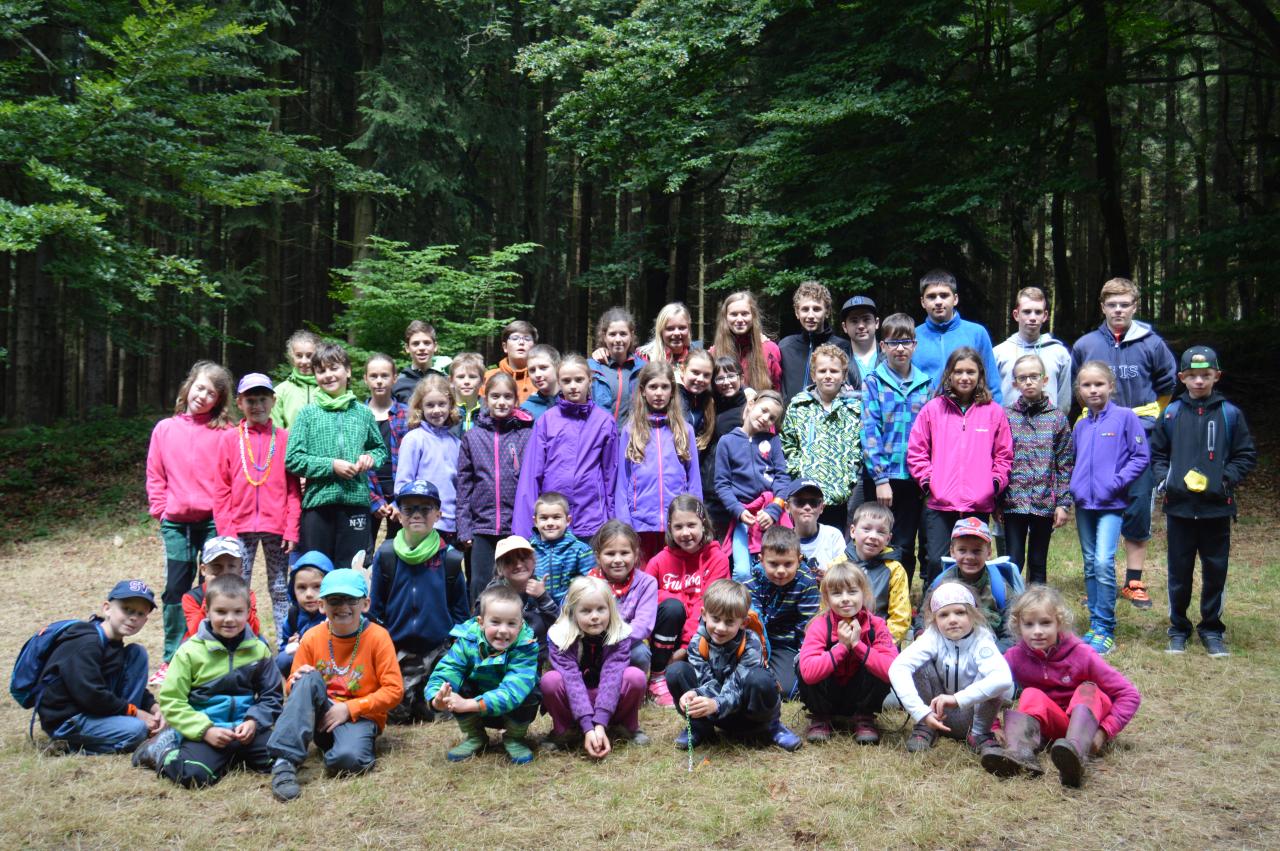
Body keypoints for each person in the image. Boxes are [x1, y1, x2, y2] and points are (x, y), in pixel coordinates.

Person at [1070, 277, 1178, 609]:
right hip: (1100, 437)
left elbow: (1168, 384)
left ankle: (1133, 580)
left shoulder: (1152, 343)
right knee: (1098, 502)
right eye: (1112, 304)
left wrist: (1153, 417)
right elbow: (1078, 388)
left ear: (1135, 307)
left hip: (1140, 433)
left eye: (1125, 304)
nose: (1118, 310)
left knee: (1137, 505)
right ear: (1102, 307)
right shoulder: (1086, 344)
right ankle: (1099, 579)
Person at [1151, 346, 1257, 657]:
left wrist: (1225, 479)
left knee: (1215, 570)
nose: (1199, 381)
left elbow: (1245, 454)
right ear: (1182, 377)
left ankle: (1212, 628)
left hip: (1216, 509)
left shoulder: (1229, 414)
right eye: (1193, 376)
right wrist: (1165, 479)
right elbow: (1157, 454)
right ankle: (1178, 628)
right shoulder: (1171, 413)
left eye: (1206, 375)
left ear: (1216, 376)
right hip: (1180, 508)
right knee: (1179, 571)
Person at [267, 569, 404, 802]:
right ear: (322, 606)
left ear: (366, 604)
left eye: (351, 600)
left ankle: (341, 747)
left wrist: (349, 709)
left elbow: (394, 690)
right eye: (334, 600)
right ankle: (283, 763)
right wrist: (295, 682)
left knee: (348, 761)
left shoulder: (378, 637)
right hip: (322, 713)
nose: (343, 606)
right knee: (306, 677)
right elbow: (292, 686)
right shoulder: (311, 637)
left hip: (360, 716)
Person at [984, 586, 1141, 788]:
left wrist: (1103, 732)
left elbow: (1129, 694)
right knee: (1030, 694)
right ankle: (1020, 754)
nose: (1037, 631)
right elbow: (988, 686)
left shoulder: (1083, 654)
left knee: (1088, 689)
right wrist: (993, 726)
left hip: (1087, 724)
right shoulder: (1015, 656)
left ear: (1059, 623)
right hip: (1052, 724)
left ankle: (1075, 757)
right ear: (1018, 626)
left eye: (1045, 623)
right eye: (1029, 624)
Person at [137, 575, 282, 788]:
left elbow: (272, 695)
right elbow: (172, 701)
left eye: (238, 612)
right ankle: (161, 750)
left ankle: (230, 758)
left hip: (247, 731)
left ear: (248, 612)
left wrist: (254, 721)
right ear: (206, 611)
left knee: (284, 758)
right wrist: (205, 730)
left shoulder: (259, 650)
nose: (230, 619)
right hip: (205, 732)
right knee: (193, 775)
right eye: (221, 612)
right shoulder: (189, 652)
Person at [146, 360, 235, 674]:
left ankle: (212, 649)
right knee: (176, 588)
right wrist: (161, 510)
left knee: (213, 587)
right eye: (200, 388)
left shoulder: (226, 433)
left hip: (213, 521)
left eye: (211, 394)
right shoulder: (165, 429)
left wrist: (227, 518)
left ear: (219, 400)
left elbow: (233, 477)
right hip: (176, 523)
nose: (203, 397)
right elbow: (155, 475)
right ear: (188, 387)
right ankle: (173, 655)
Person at [907, 347, 1013, 590]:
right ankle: (932, 607)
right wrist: (929, 482)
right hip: (940, 502)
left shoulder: (993, 412)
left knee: (972, 561)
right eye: (958, 371)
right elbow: (917, 450)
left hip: (978, 503)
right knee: (936, 560)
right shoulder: (933, 409)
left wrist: (993, 485)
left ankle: (975, 607)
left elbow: (1004, 455)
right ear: (949, 375)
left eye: (970, 372)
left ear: (980, 375)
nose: (964, 377)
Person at [368, 481, 469, 724]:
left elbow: (461, 614)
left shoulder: (450, 558)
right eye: (409, 508)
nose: (416, 514)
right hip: (397, 648)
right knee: (396, 715)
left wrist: (455, 654)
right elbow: (376, 610)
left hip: (437, 650)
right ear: (399, 514)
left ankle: (429, 691)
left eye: (425, 508)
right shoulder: (387, 555)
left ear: (438, 515)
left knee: (439, 712)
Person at [284, 341, 389, 570]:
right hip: (317, 506)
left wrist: (369, 458)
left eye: (334, 368)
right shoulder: (308, 414)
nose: (328, 375)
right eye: (321, 371)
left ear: (348, 371)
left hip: (356, 505)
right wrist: (331, 466)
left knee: (351, 570)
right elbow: (293, 458)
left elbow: (379, 450)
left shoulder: (363, 413)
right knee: (316, 569)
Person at [1070, 361, 1150, 655]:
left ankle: (1105, 627)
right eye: (1087, 385)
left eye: (1099, 384)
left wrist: (1117, 481)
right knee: (1090, 562)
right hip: (1084, 504)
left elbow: (1140, 457)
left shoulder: (1125, 418)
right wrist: (1075, 487)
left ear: (1110, 386)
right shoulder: (1080, 425)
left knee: (1104, 561)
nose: (1093, 390)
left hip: (1111, 503)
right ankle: (1094, 624)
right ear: (1079, 390)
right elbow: (1075, 460)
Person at [667, 579, 802, 752]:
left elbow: (738, 684)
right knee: (676, 671)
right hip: (716, 712)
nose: (721, 628)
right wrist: (696, 693)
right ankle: (699, 727)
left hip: (748, 714)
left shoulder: (750, 642)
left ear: (743, 622)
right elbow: (705, 681)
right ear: (704, 614)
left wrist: (716, 704)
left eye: (729, 622)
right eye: (715, 619)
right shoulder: (697, 642)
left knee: (760, 679)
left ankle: (772, 727)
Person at [213, 372, 300, 633]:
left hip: (277, 528)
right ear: (239, 403)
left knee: (280, 587)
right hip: (239, 528)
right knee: (237, 587)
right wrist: (227, 531)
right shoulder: (229, 439)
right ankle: (239, 639)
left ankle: (285, 641)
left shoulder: (284, 438)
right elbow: (221, 489)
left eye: (263, 399)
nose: (257, 405)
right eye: (250, 400)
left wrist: (292, 527)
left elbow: (293, 489)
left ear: (273, 401)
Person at [36, 580, 163, 754]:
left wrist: (154, 708)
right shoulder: (86, 643)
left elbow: (123, 681)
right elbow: (91, 695)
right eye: (127, 609)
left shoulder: (114, 642)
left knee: (137, 652)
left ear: (145, 620)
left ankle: (121, 723)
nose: (133, 617)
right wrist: (136, 713)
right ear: (107, 608)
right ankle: (67, 744)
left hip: (95, 709)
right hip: (69, 718)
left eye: (140, 613)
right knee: (137, 731)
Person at [888, 582, 1013, 755]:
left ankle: (980, 735)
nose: (952, 620)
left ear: (973, 614)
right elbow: (898, 667)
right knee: (918, 664)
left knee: (992, 677)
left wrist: (956, 699)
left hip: (972, 717)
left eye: (960, 612)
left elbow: (1003, 679)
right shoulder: (933, 636)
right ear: (934, 620)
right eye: (943, 615)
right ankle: (925, 728)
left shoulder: (982, 639)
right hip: (935, 713)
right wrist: (921, 712)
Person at [426, 584, 541, 764]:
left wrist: (468, 704)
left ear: (520, 625)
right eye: (495, 622)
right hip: (477, 708)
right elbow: (448, 669)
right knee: (456, 685)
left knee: (529, 691)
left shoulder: (526, 647)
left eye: (511, 623)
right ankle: (476, 736)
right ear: (481, 623)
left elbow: (513, 692)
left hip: (509, 707)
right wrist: (436, 699)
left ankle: (514, 738)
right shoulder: (467, 640)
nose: (503, 630)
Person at [861, 313, 933, 587]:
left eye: (906, 342)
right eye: (893, 343)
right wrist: (881, 479)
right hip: (882, 479)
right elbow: (870, 431)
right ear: (883, 346)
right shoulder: (874, 382)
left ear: (915, 345)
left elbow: (932, 433)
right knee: (876, 538)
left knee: (904, 542)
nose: (900, 348)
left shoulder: (926, 384)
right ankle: (874, 595)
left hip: (914, 478)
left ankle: (900, 597)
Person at [541, 576, 650, 755]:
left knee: (635, 677)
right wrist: (587, 727)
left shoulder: (619, 634)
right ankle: (564, 730)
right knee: (550, 681)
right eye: (586, 611)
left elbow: (612, 677)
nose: (595, 617)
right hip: (575, 699)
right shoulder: (561, 636)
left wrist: (599, 724)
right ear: (573, 612)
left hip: (609, 698)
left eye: (601, 609)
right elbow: (572, 681)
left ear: (610, 609)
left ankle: (626, 726)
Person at [513, 354, 618, 540]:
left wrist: (614, 524)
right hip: (552, 520)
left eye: (579, 380)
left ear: (590, 381)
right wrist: (523, 532)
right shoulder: (547, 420)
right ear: (559, 382)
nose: (573, 386)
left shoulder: (604, 422)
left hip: (592, 519)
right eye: (566, 381)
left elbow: (611, 475)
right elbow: (531, 475)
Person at [455, 371, 535, 607]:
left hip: (516, 526)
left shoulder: (526, 435)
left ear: (516, 400)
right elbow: (464, 485)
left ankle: (518, 627)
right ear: (485, 398)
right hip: (482, 527)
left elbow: (533, 481)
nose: (501, 402)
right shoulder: (472, 437)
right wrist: (464, 527)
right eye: (495, 396)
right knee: (481, 585)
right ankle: (478, 627)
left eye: (507, 396)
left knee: (516, 583)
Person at [642, 495, 731, 707]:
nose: (685, 533)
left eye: (691, 525)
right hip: (664, 637)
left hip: (700, 636)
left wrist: (684, 649)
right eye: (678, 527)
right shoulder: (659, 561)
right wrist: (673, 598)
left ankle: (684, 674)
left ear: (703, 524)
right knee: (673, 607)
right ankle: (657, 676)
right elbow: (643, 599)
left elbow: (709, 606)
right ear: (670, 529)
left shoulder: (717, 559)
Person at [796, 562, 897, 744]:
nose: (845, 599)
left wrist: (858, 645)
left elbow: (892, 671)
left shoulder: (877, 626)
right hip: (829, 694)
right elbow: (809, 674)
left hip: (858, 695)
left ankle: (864, 716)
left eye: (852, 592)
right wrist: (842, 647)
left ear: (864, 593)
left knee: (876, 660)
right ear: (827, 598)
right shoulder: (819, 625)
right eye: (836, 593)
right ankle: (820, 716)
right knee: (801, 663)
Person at [615, 361, 702, 562]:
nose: (659, 393)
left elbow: (694, 480)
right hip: (640, 524)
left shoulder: (685, 430)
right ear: (643, 391)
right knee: (643, 575)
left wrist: (695, 517)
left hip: (677, 524)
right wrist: (624, 523)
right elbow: (622, 481)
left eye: (664, 387)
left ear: (672, 391)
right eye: (653, 387)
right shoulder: (630, 430)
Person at [1000, 354, 1074, 585]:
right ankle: (1012, 604)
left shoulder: (1057, 419)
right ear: (1015, 383)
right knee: (1013, 560)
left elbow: (1065, 464)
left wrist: (1063, 503)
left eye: (1034, 376)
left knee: (1038, 561)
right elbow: (999, 459)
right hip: (1013, 501)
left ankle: (1038, 604)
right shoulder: (1006, 416)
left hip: (1044, 502)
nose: (1029, 382)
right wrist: (997, 500)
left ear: (1045, 379)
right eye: (1023, 378)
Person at [780, 343, 862, 533]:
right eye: (822, 371)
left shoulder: (854, 409)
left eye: (834, 371)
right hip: (807, 494)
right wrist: (798, 469)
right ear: (813, 374)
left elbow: (859, 447)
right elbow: (788, 443)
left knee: (837, 543)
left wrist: (850, 475)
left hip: (841, 493)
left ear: (844, 375)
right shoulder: (799, 406)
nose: (828, 375)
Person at [714, 390, 793, 581]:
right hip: (744, 517)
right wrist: (738, 511)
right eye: (763, 410)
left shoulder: (773, 441)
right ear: (751, 405)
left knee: (771, 568)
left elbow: (782, 478)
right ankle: (744, 602)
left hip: (771, 513)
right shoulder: (727, 442)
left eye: (772, 417)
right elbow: (722, 484)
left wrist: (774, 509)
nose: (766, 418)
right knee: (742, 571)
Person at [823, 502, 911, 645]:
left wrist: (882, 645)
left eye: (881, 532)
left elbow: (900, 617)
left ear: (888, 539)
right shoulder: (836, 566)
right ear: (853, 531)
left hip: (878, 640)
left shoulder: (895, 570)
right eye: (866, 529)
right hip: (840, 638)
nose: (873, 536)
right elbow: (825, 607)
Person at [747, 526, 819, 699]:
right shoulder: (751, 582)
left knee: (787, 690)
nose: (781, 571)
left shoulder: (806, 582)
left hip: (787, 644)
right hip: (758, 642)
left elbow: (807, 626)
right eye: (773, 564)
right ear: (761, 560)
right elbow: (753, 625)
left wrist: (804, 660)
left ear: (799, 560)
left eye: (788, 564)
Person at [928, 517, 1021, 650]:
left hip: (989, 651)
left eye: (976, 551)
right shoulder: (941, 583)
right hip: (947, 651)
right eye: (962, 550)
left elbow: (1012, 629)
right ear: (952, 551)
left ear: (989, 552)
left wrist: (994, 654)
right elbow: (924, 616)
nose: (970, 557)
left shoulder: (1000, 588)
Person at [394, 374, 462, 543]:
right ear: (420, 408)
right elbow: (403, 484)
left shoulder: (457, 443)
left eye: (442, 404)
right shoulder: (414, 439)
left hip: (451, 524)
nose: (436, 410)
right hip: (422, 523)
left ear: (450, 405)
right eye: (430, 405)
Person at [587, 520, 659, 674]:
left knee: (640, 653)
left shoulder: (647, 583)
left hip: (627, 642)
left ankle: (631, 683)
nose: (618, 560)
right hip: (593, 641)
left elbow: (643, 624)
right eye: (610, 554)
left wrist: (613, 639)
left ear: (635, 554)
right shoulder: (589, 582)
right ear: (598, 557)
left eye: (624, 553)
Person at [993, 287, 1072, 413]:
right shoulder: (998, 353)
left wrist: (1055, 423)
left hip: (1048, 424)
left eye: (1038, 312)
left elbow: (1064, 402)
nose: (1033, 317)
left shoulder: (1060, 354)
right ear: (1016, 315)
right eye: (1027, 312)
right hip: (1007, 424)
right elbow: (991, 397)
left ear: (1045, 316)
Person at [778, 281, 854, 402]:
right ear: (797, 312)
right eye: (805, 309)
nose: (810, 315)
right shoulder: (785, 347)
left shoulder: (843, 347)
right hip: (790, 412)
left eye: (816, 309)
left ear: (827, 312)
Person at [482, 535, 560, 650]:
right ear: (499, 569)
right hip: (502, 652)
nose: (518, 565)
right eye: (509, 561)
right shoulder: (492, 594)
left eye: (524, 558)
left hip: (537, 652)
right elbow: (476, 628)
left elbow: (558, 625)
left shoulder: (540, 587)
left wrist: (543, 597)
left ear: (534, 562)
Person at [363, 353, 409, 548]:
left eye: (385, 375)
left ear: (394, 378)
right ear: (365, 379)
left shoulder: (408, 414)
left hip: (399, 491)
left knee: (396, 550)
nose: (379, 381)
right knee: (363, 551)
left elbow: (413, 460)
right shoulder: (357, 414)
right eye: (374, 376)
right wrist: (373, 500)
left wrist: (401, 500)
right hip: (367, 490)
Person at [181, 536, 262, 641]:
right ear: (204, 570)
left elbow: (253, 631)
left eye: (231, 566)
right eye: (217, 566)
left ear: (240, 571)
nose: (224, 572)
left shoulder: (247, 595)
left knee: (262, 642)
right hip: (204, 645)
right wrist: (210, 596)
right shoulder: (191, 598)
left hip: (238, 644)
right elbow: (195, 633)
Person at [529, 492, 595, 608]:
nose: (550, 523)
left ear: (568, 520)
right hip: (537, 610)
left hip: (570, 611)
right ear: (535, 521)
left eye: (556, 517)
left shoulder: (581, 550)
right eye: (544, 518)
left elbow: (592, 583)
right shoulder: (528, 549)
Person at [275, 552, 332, 678]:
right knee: (283, 659)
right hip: (303, 666)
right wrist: (289, 645)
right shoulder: (293, 616)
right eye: (302, 587)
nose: (309, 594)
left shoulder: (335, 616)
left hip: (332, 666)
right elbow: (283, 649)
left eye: (317, 586)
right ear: (292, 590)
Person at [710, 291, 782, 392]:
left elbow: (777, 392)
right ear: (725, 318)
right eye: (734, 314)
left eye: (744, 314)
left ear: (753, 316)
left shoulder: (770, 350)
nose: (739, 319)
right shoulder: (714, 353)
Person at [590, 307, 645, 422]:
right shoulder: (592, 368)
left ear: (631, 335)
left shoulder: (643, 369)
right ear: (604, 336)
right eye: (612, 334)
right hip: (600, 431)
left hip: (631, 432)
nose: (618, 339)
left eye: (623, 334)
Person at [785, 479, 845, 579]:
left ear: (822, 507)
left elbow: (844, 573)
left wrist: (828, 578)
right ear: (787, 507)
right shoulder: (782, 541)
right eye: (800, 502)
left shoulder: (833, 535)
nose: (807, 507)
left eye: (813, 502)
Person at [636, 302, 700, 381]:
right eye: (670, 329)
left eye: (682, 328)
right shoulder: (645, 357)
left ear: (689, 329)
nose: (677, 333)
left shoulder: (697, 356)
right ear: (661, 331)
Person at [271, 330, 319, 428]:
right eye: (299, 356)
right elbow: (275, 430)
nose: (304, 361)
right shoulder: (280, 392)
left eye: (309, 356)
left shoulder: (328, 388)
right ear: (292, 357)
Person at [483, 320, 538, 403]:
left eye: (527, 339)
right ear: (505, 347)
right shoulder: (488, 377)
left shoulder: (540, 378)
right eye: (515, 338)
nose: (521, 342)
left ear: (534, 347)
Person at [391, 320, 444, 404]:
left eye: (426, 343)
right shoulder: (398, 384)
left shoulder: (445, 381)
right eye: (416, 344)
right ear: (407, 348)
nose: (421, 348)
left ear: (435, 346)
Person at [680, 348, 717, 456]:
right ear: (683, 370)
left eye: (706, 375)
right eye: (695, 372)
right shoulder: (670, 398)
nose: (700, 379)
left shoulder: (709, 401)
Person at [839, 295, 881, 390]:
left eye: (866, 319)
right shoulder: (837, 361)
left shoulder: (890, 357)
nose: (861, 326)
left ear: (876, 323)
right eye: (854, 321)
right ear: (845, 327)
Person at [520, 344, 562, 421]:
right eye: (532, 370)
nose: (537, 375)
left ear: (558, 367)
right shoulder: (525, 411)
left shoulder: (574, 403)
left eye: (543, 368)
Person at [450, 351, 486, 434]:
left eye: (472, 377)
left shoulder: (489, 410)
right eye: (461, 377)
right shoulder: (444, 410)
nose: (466, 381)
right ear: (451, 381)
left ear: (482, 381)